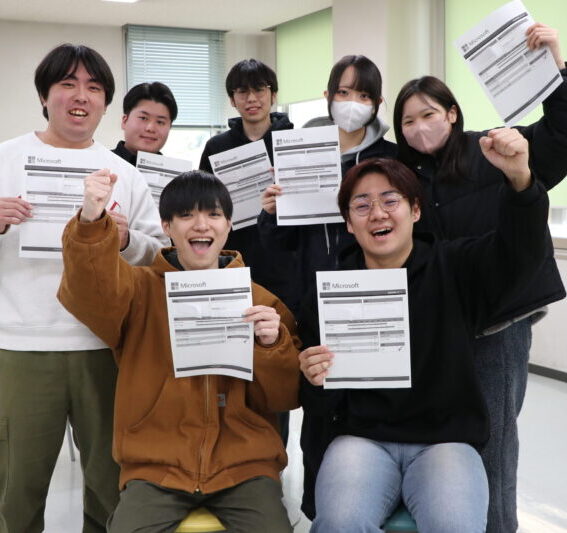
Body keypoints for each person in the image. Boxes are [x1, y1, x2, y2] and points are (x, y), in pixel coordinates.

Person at [299, 146, 550, 532]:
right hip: (360, 439)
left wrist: (520, 181)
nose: (377, 214)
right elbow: (319, 403)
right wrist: (313, 378)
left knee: (454, 525)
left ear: (415, 210)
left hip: (445, 441)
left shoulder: (457, 267)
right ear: (348, 223)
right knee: (339, 522)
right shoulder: (331, 293)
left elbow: (520, 252)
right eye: (362, 205)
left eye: (390, 200)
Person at [392, 23, 567, 533]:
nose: (419, 128)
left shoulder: (493, 148)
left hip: (497, 326)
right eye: (408, 121)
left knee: (493, 442)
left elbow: (561, 135)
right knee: (445, 443)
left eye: (429, 114)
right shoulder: (404, 177)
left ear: (452, 113)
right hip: (438, 327)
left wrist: (556, 65)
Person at [57, 170, 301, 533]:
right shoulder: (138, 290)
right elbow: (88, 290)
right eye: (186, 215)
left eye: (214, 214)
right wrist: (92, 219)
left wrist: (271, 345)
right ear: (166, 226)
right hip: (156, 467)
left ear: (229, 225)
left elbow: (284, 397)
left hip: (245, 468)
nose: (201, 225)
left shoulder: (261, 302)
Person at [0, 44, 167, 533]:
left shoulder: (126, 175)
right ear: (44, 96)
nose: (81, 96)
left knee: (109, 483)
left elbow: (158, 255)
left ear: (106, 103)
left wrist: (126, 240)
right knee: (16, 488)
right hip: (21, 344)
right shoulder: (5, 158)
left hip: (104, 345)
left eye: (94, 88)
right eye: (68, 84)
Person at [257, 55, 397, 296]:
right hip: (312, 290)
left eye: (364, 95)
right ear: (328, 96)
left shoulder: (392, 159)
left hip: (376, 288)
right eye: (343, 92)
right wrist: (273, 213)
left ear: (377, 102)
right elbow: (280, 244)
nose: (352, 103)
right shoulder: (297, 156)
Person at [199, 58, 300, 314]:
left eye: (259, 89)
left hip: (286, 261)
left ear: (273, 95)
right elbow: (203, 202)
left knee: (283, 330)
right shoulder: (216, 147)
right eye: (242, 91)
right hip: (235, 258)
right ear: (233, 100)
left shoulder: (294, 141)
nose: (251, 98)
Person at [112, 81, 178, 165]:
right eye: (143, 118)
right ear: (125, 121)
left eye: (160, 122)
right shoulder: (100, 163)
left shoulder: (177, 172)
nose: (150, 128)